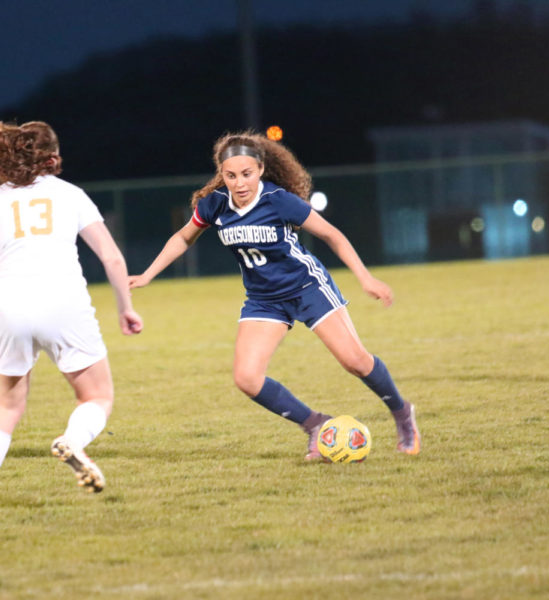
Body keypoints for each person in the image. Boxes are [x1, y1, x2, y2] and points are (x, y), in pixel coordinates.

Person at [129, 131, 419, 460]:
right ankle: (314, 425)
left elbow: (331, 235)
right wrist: (148, 274)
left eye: (247, 174)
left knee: (354, 361)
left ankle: (401, 413)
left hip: (307, 288)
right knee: (247, 378)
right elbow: (183, 238)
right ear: (221, 174)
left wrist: (365, 278)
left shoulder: (278, 200)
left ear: (261, 170)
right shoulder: (215, 205)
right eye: (231, 175)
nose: (239, 183)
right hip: (264, 299)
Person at [0, 121, 143, 512]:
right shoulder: (70, 195)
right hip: (64, 302)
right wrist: (125, 307)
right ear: (52, 157)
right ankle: (72, 442)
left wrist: (12, 287)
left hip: (9, 308)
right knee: (97, 395)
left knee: (8, 405)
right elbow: (111, 256)